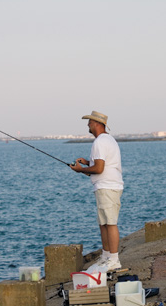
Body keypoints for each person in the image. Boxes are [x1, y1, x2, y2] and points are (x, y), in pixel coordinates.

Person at [70, 111, 124, 271]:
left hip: (108, 186)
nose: (88, 125)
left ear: (97, 123)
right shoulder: (108, 140)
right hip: (105, 186)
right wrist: (86, 163)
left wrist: (81, 170)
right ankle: (106, 256)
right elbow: (102, 164)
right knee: (103, 223)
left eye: (89, 122)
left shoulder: (100, 142)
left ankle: (114, 259)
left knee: (110, 222)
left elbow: (99, 168)